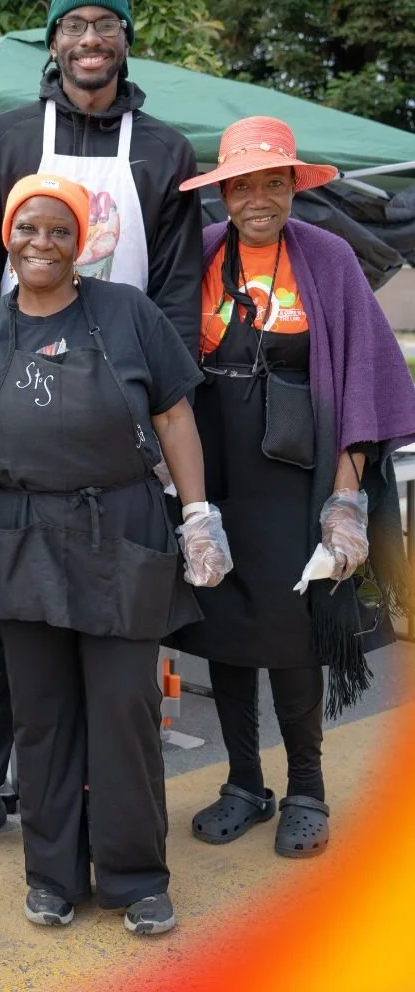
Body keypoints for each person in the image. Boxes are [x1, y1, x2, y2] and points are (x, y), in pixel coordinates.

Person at [0, 0, 204, 858]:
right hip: (15, 411)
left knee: (113, 643)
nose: (90, 41)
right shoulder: (3, 140)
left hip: (123, 417)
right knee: (0, 627)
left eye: (107, 25)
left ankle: (96, 810)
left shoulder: (167, 152)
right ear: (53, 42)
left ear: (126, 40)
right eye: (74, 27)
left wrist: (168, 424)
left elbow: (177, 295)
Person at [0, 173, 230, 934]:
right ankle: (53, 876)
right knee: (43, 718)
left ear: (82, 241)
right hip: (17, 541)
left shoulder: (126, 314)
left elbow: (174, 416)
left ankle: (136, 877)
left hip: (120, 535)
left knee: (125, 710)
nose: (42, 243)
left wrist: (197, 514)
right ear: (8, 239)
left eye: (60, 230)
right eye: (28, 228)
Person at [174, 116, 415, 857]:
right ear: (223, 193)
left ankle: (307, 786)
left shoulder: (330, 258)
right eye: (242, 183)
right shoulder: (200, 256)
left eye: (271, 181)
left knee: (294, 636)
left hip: (299, 484)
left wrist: (345, 499)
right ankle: (245, 783)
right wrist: (186, 503)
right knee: (226, 634)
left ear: (291, 187)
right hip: (216, 484)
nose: (257, 197)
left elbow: (365, 387)